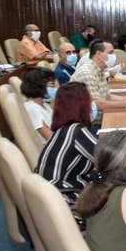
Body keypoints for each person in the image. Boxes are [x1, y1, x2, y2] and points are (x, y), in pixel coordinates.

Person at [35, 82, 97, 213]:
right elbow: (109, 158)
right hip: (67, 203)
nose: (92, 107)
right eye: (89, 102)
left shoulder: (63, 130)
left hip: (49, 199)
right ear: (81, 106)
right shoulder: (77, 130)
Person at [70, 39, 126, 113]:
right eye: (110, 52)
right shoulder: (86, 73)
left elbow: (107, 96)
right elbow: (96, 104)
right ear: (99, 54)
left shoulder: (99, 70)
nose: (114, 56)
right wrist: (124, 103)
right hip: (88, 120)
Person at [21, 67, 56, 143]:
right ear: (39, 87)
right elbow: (50, 138)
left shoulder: (43, 104)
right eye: (51, 86)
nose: (54, 89)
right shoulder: (32, 109)